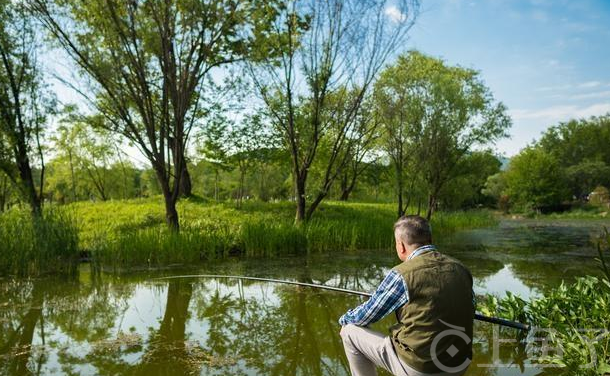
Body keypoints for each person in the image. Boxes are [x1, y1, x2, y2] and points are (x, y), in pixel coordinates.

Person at [339, 215, 475, 376]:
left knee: (348, 331)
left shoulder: (402, 274)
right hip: (459, 361)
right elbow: (470, 307)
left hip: (423, 368)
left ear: (401, 246)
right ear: (430, 239)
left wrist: (343, 319)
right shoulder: (460, 268)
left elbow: (367, 315)